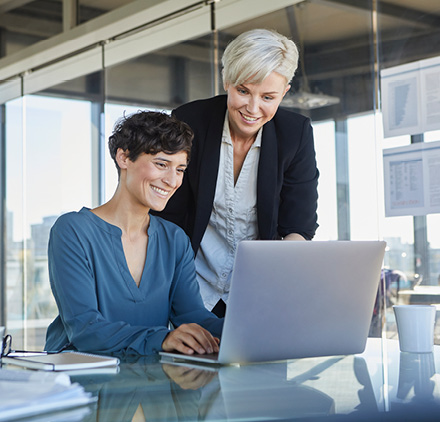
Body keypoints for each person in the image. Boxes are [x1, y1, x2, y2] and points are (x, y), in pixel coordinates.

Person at [156, 29, 319, 316]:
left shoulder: (296, 134)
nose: (253, 109)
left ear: (285, 92)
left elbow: (299, 226)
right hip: (190, 286)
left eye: (268, 97)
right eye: (243, 91)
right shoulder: (189, 121)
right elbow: (167, 216)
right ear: (227, 81)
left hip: (257, 291)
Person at [45, 111, 223, 356]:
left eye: (180, 169)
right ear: (124, 157)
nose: (172, 181)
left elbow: (192, 317)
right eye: (161, 164)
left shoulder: (175, 239)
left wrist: (246, 329)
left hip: (148, 384)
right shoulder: (73, 231)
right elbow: (85, 329)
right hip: (79, 383)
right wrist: (163, 338)